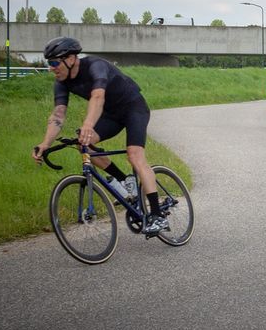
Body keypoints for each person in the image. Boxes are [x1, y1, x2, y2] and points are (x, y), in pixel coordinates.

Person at [31, 36, 169, 235]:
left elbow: (98, 96)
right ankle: (124, 180)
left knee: (134, 154)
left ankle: (157, 215)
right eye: (49, 64)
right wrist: (45, 143)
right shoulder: (61, 82)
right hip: (111, 115)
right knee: (83, 143)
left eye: (54, 63)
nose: (51, 68)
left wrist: (88, 124)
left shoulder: (95, 66)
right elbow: (58, 114)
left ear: (70, 59)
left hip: (133, 108)